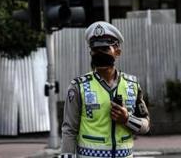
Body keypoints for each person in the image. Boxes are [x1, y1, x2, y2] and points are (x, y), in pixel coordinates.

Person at [61, 21, 150, 158]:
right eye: (95, 50)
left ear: (117, 52)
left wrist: (127, 119)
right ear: (90, 52)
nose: (99, 54)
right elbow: (69, 130)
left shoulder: (132, 85)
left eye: (105, 49)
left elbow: (146, 126)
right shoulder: (78, 87)